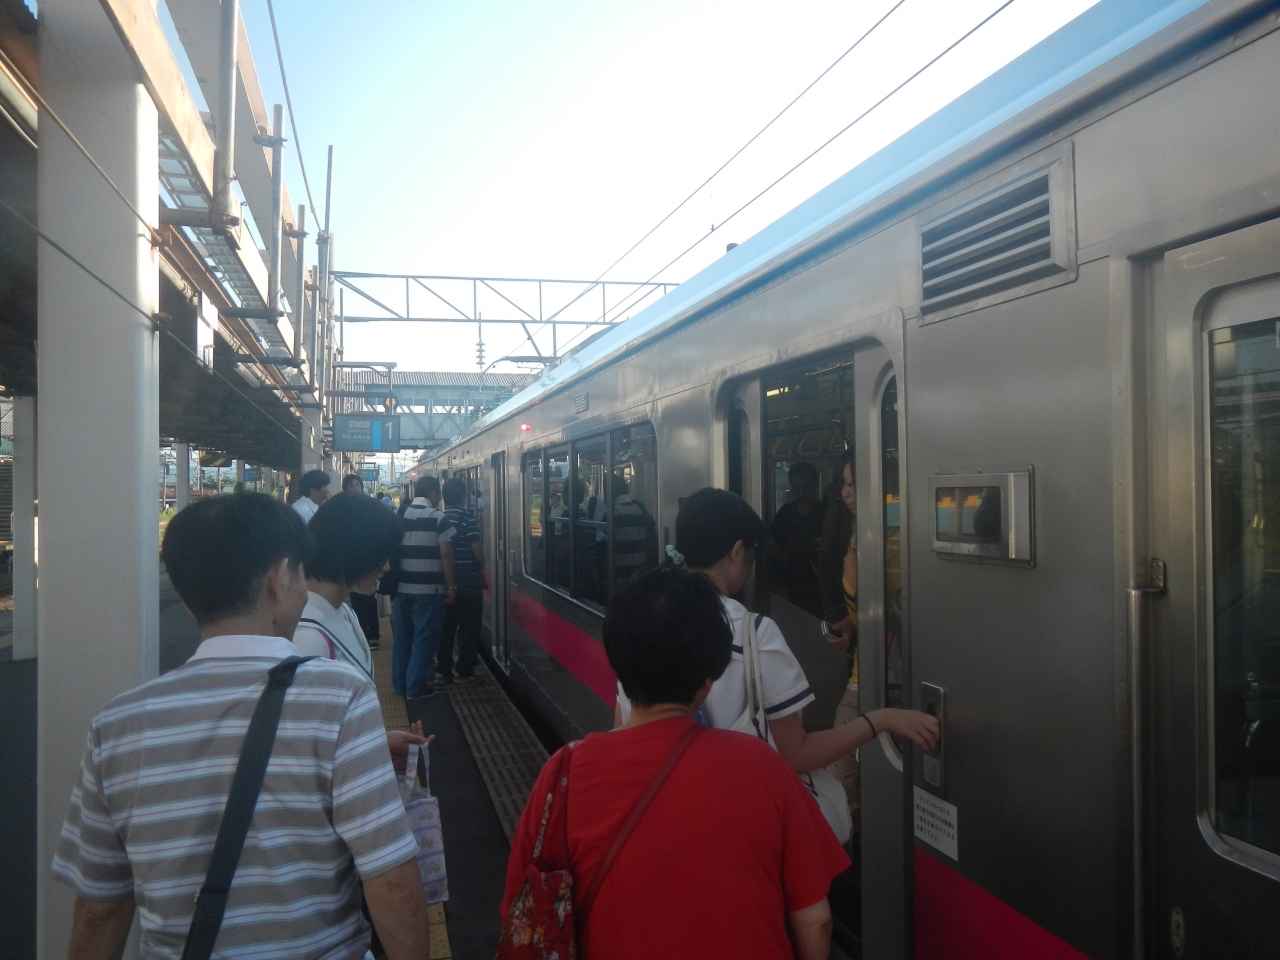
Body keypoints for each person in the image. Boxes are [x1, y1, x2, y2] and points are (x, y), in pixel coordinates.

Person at [53, 494, 431, 960]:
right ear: (280, 578)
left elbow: (99, 910)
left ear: (188, 600)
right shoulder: (339, 696)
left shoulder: (115, 725)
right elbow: (391, 878)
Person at [504, 565, 849, 959]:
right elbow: (815, 920)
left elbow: (521, 909)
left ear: (617, 665)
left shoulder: (562, 775)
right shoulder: (764, 767)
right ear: (706, 681)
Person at [617, 488, 938, 782]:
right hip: (729, 807)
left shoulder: (641, 619)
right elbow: (796, 754)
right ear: (737, 552)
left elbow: (620, 730)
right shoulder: (755, 633)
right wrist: (878, 720)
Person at [819, 453, 863, 826]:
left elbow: (897, 615)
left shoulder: (886, 542)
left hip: (873, 676)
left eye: (853, 484)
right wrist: (851, 623)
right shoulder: (858, 535)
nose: (847, 493)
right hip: (864, 668)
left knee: (839, 777)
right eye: (844, 485)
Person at [393, 475, 456, 700]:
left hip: (402, 589)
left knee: (402, 639)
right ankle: (416, 687)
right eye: (438, 495)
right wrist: (451, 585)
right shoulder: (438, 518)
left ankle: (400, 684)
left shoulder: (399, 516)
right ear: (433, 494)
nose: (439, 499)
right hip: (429, 591)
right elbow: (446, 554)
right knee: (424, 638)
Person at [438, 477, 484, 683]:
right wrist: (481, 568)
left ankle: (443, 670)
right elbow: (476, 545)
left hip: (444, 581)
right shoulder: (467, 518)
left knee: (446, 627)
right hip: (467, 580)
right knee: (468, 628)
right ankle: (464, 671)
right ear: (464, 498)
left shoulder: (440, 517)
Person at [769, 461, 825, 616]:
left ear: (815, 484)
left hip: (822, 588)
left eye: (806, 486)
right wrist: (778, 582)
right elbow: (775, 549)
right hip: (791, 588)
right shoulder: (786, 513)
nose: (801, 492)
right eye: (796, 487)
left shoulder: (827, 513)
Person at [339, 473, 384, 647]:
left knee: (368, 596)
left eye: (357, 484)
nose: (355, 488)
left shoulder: (370, 506)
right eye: (351, 485)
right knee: (355, 597)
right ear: (346, 489)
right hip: (350, 559)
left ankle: (373, 635)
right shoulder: (343, 508)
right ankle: (362, 633)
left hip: (367, 558)